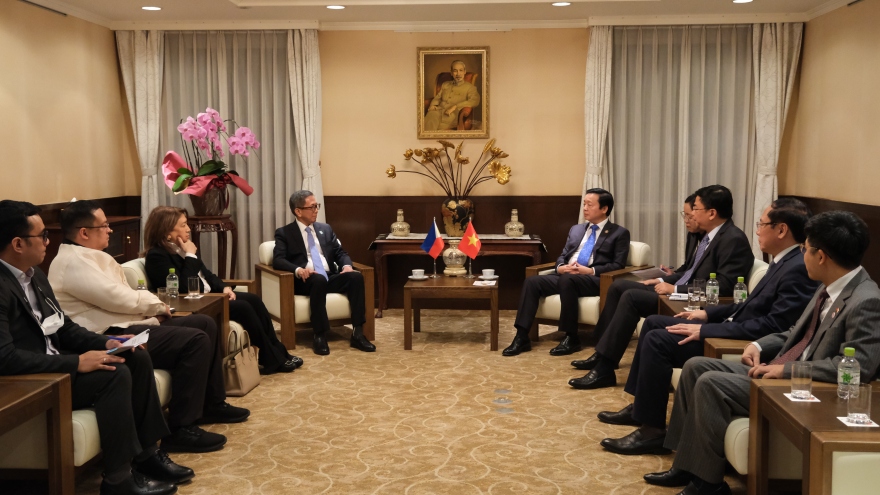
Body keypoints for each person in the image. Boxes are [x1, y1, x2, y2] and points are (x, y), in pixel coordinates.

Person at [644, 210, 880, 495]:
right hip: (788, 372)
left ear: (821, 256)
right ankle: (687, 465)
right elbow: (796, 331)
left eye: (805, 249)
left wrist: (785, 370)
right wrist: (758, 345)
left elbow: (858, 366)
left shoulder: (865, 300)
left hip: (810, 390)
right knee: (696, 366)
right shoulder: (829, 286)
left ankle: (708, 485)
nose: (802, 255)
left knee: (710, 383)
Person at [598, 198, 818, 456]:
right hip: (730, 327)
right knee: (655, 323)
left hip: (738, 342)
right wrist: (707, 313)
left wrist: (706, 330)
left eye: (761, 224)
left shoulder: (796, 268)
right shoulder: (782, 261)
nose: (757, 230)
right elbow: (748, 304)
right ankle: (641, 409)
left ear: (781, 230)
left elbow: (773, 325)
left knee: (658, 340)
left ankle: (652, 432)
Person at [0, 200, 187, 495]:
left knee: (134, 357)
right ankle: (118, 480)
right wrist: (75, 363)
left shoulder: (35, 276)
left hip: (55, 365)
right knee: (114, 375)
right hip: (34, 380)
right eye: (43, 235)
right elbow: (5, 357)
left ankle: (148, 455)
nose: (49, 241)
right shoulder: (2, 286)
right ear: (18, 244)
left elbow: (64, 327)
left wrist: (108, 342)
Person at [49, 199, 249, 454]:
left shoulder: (90, 256)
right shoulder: (74, 261)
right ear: (84, 233)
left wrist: (152, 314)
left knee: (204, 323)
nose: (110, 230)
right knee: (195, 340)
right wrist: (156, 307)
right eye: (105, 226)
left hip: (124, 323)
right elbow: (118, 298)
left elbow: (119, 300)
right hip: (106, 334)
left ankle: (211, 403)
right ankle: (181, 428)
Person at [569, 184, 754, 390]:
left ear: (711, 213)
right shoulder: (707, 235)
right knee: (619, 286)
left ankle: (605, 367)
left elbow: (725, 287)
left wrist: (675, 290)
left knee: (631, 297)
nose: (691, 215)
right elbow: (690, 270)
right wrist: (660, 280)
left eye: (695, 209)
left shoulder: (733, 239)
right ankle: (602, 353)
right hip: (682, 292)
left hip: (695, 301)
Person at [142, 206, 302, 374]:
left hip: (211, 295)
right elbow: (182, 287)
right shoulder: (157, 256)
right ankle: (272, 359)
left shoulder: (182, 248)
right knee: (243, 307)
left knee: (253, 299)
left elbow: (208, 275)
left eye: (187, 224)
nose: (188, 229)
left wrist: (224, 287)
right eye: (183, 225)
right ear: (167, 232)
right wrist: (190, 256)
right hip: (199, 304)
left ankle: (280, 353)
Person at [502, 188, 630, 357]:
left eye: (589, 205)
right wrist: (560, 267)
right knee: (532, 281)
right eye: (584, 204)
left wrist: (590, 270)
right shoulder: (576, 229)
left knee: (567, 280)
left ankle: (571, 336)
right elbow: (563, 255)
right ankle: (522, 336)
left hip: (594, 280)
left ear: (604, 208)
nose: (585, 208)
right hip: (567, 276)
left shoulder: (619, 233)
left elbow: (618, 265)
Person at [273, 190, 375, 356]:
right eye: (312, 207)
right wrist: (298, 270)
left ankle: (358, 333)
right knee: (318, 280)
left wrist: (346, 266)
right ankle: (319, 335)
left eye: (317, 206)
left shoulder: (325, 229)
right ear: (298, 211)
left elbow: (340, 253)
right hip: (306, 280)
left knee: (355, 277)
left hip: (329, 276)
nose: (316, 210)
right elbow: (278, 260)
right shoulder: (284, 233)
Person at [424, 60, 481, 131]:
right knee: (428, 121)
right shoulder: (445, 84)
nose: (458, 74)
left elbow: (474, 101)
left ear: (464, 72)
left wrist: (455, 106)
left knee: (435, 129)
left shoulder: (470, 88)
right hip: (438, 111)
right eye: (455, 71)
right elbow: (438, 97)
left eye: (461, 70)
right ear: (451, 73)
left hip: (452, 116)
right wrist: (433, 105)